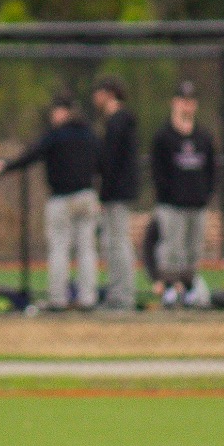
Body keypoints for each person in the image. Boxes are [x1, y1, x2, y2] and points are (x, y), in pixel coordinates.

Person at [0, 97, 101, 309]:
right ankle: (88, 298)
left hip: (62, 198)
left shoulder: (56, 135)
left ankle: (58, 299)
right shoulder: (89, 134)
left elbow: (31, 154)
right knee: (86, 250)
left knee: (60, 248)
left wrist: (6, 167)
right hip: (87, 196)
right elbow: (102, 162)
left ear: (63, 112)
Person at [148, 81, 216, 306]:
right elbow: (157, 172)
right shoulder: (163, 137)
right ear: (175, 103)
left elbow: (211, 170)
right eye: (182, 101)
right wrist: (167, 194)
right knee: (171, 248)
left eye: (190, 101)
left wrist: (204, 194)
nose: (186, 106)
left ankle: (188, 290)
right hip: (171, 205)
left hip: (196, 204)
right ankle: (169, 289)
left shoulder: (203, 137)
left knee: (193, 250)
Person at [92, 78, 140, 310]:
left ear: (109, 94)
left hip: (117, 193)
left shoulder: (119, 121)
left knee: (118, 243)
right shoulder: (118, 121)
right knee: (114, 243)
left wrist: (105, 193)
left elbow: (112, 163)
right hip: (116, 192)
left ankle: (123, 295)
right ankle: (118, 292)